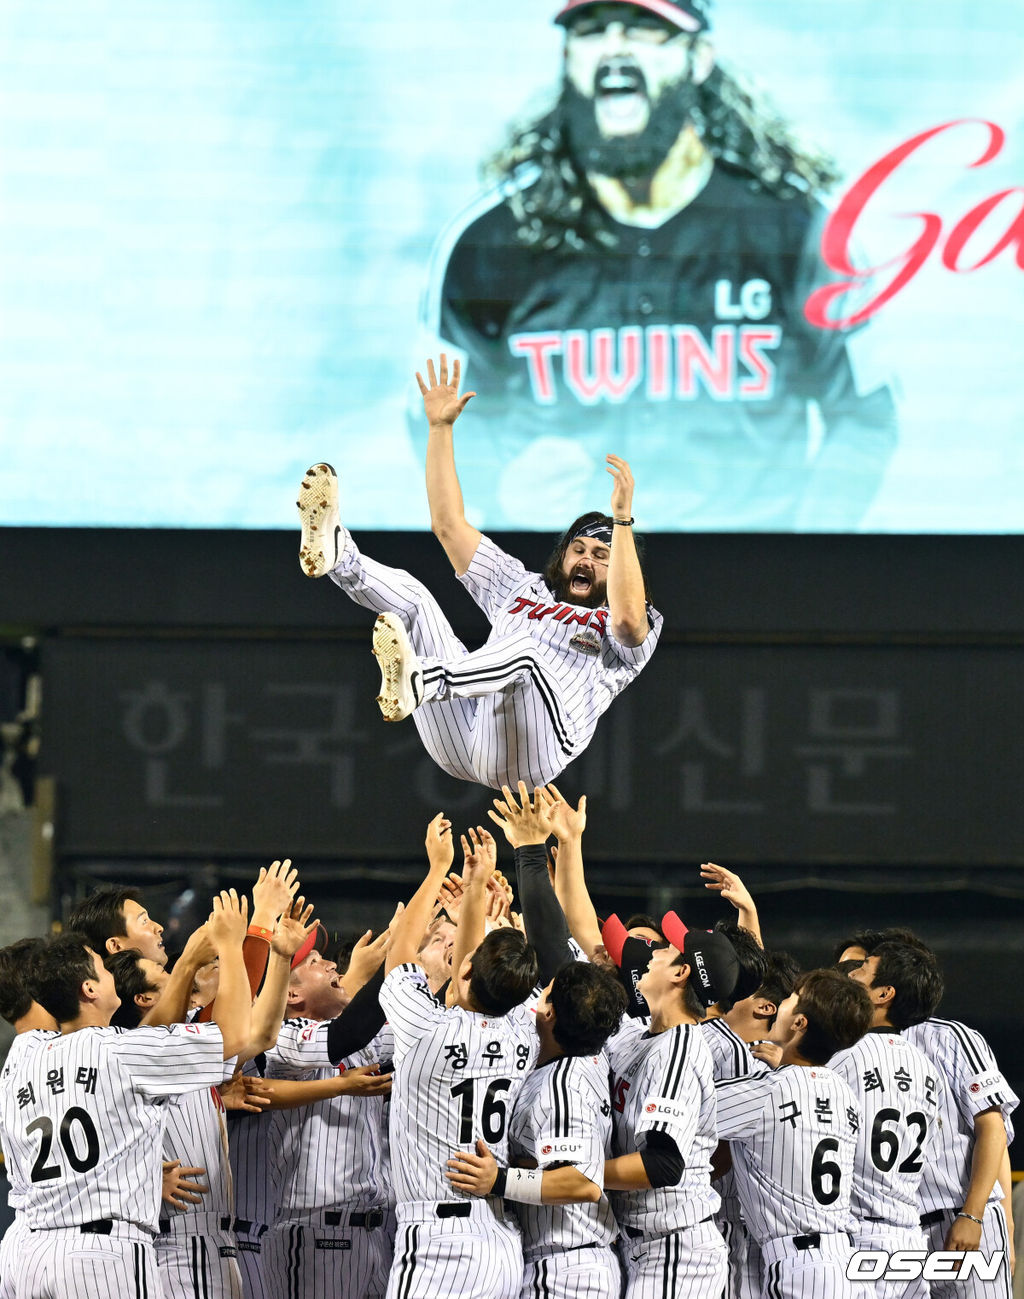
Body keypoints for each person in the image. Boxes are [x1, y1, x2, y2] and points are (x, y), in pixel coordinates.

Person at [413, 0, 898, 531]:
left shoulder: (796, 231)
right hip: (565, 598)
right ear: (568, 55)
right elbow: (432, 417)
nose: (616, 47)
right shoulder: (491, 241)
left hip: (747, 590)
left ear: (700, 57)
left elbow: (865, 415)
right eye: (593, 28)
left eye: (646, 28)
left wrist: (802, 560)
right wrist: (497, 494)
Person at [297, 354, 661, 790]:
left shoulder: (626, 627)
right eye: (578, 548)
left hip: (535, 751)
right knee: (415, 600)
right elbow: (449, 526)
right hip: (461, 731)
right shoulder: (523, 588)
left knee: (526, 653)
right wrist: (439, 429)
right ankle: (338, 556)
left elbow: (626, 619)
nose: (585, 559)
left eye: (602, 555)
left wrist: (622, 522)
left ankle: (421, 678)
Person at [0, 894, 253, 1299]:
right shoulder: (120, 1050)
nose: (111, 973)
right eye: (102, 969)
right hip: (101, 1254)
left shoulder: (22, 1056)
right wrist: (230, 945)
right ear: (88, 989)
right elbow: (237, 1036)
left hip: (29, 1248)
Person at [713, 969, 872, 1299]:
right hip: (841, 1259)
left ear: (800, 1023)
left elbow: (690, 1112)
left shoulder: (767, 1091)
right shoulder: (842, 1090)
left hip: (802, 1269)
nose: (781, 1003)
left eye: (789, 999)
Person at [831, 939, 948, 1299]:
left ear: (883, 994)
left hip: (859, 1237)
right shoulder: (929, 1069)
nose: (851, 974)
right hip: (909, 1239)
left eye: (862, 970)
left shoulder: (846, 1055)